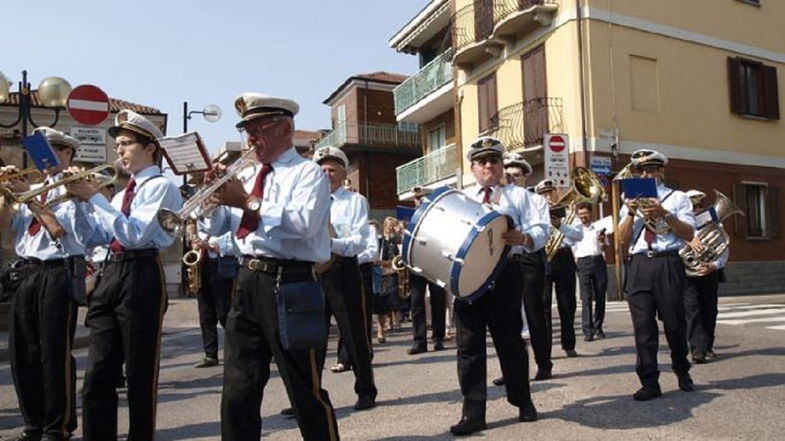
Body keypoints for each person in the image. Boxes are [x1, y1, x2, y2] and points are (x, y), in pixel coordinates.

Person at [200, 92, 339, 441]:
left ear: (286, 127)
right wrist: (212, 200)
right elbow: (217, 229)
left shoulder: (308, 174)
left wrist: (245, 201)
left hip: (289, 283)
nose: (251, 138)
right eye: (247, 130)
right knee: (237, 389)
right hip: (246, 279)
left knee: (303, 388)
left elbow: (303, 224)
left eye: (258, 128)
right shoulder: (247, 175)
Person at [67, 110, 183, 440]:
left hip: (141, 272)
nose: (119, 151)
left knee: (139, 373)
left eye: (125, 144)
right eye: (117, 145)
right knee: (97, 375)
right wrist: (80, 203)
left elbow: (134, 235)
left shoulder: (160, 187)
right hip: (112, 273)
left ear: (150, 147)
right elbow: (94, 239)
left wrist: (94, 198)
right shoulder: (119, 194)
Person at [0, 127, 94, 441]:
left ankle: (59, 426)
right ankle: (33, 422)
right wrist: (5, 193)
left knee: (53, 352)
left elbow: (61, 233)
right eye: (41, 150)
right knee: (23, 353)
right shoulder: (35, 189)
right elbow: (5, 226)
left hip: (58, 272)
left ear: (67, 154)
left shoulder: (74, 192)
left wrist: (29, 199)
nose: (44, 158)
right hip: (28, 273)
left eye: (52, 150)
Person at [449, 136, 546, 436]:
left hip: (506, 274)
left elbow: (541, 227)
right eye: (481, 162)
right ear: (473, 168)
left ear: (502, 165)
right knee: (468, 347)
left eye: (493, 160)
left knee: (511, 343)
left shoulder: (518, 196)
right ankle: (473, 413)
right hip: (467, 280)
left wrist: (526, 238)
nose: (488, 165)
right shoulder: (461, 198)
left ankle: (523, 401)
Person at [617, 148, 696, 401]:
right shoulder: (629, 199)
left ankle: (681, 369)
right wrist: (630, 213)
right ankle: (649, 381)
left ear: (661, 171)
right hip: (640, 263)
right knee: (643, 328)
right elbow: (620, 240)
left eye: (650, 169)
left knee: (674, 323)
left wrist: (664, 214)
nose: (645, 174)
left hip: (668, 262)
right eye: (640, 170)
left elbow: (689, 234)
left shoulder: (678, 197)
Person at [313, 145, 378, 411]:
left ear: (342, 173)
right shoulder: (308, 200)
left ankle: (366, 390)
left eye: (332, 170)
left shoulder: (355, 201)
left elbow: (359, 241)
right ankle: (309, 396)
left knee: (354, 333)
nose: (327, 174)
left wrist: (331, 243)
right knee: (310, 338)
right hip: (312, 273)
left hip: (343, 270)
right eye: (322, 169)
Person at [496, 152, 552, 384]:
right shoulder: (500, 198)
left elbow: (541, 231)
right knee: (507, 317)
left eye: (516, 175)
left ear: (525, 177)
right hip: (503, 261)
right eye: (508, 175)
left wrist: (525, 238)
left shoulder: (536, 200)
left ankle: (543, 363)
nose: (512, 179)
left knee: (533, 313)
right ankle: (512, 369)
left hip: (528, 258)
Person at [536, 179, 582, 358]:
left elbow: (578, 235)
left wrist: (560, 225)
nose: (548, 197)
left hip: (564, 257)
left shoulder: (569, 213)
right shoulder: (536, 214)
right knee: (544, 305)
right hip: (544, 257)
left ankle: (568, 344)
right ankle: (545, 348)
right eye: (544, 194)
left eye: (550, 193)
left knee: (567, 303)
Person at [682, 189, 728, 364]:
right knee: (692, 309)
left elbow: (724, 248)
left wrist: (714, 265)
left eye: (700, 205)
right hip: (687, 273)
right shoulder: (680, 225)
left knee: (710, 310)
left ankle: (707, 346)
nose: (697, 209)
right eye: (693, 206)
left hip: (709, 272)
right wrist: (688, 240)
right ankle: (697, 349)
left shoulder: (716, 225)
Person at [333, 218, 379, 372]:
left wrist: (351, 257)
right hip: (339, 270)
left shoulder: (370, 229)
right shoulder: (340, 227)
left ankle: (364, 355)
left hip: (360, 270)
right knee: (343, 314)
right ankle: (344, 359)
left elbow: (372, 252)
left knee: (362, 316)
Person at [407, 187, 447, 355]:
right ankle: (419, 340)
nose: (419, 202)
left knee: (438, 301)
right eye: (417, 199)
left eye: (422, 198)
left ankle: (438, 338)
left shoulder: (439, 218)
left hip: (435, 262)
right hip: (416, 264)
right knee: (416, 303)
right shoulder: (411, 219)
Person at [192, 230, 237, 368]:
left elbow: (233, 248)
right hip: (202, 267)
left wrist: (209, 246)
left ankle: (237, 350)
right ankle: (210, 355)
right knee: (205, 314)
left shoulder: (225, 223)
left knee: (223, 312)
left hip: (219, 268)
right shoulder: (199, 223)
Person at [572, 202, 609, 341]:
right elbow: (571, 247)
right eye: (580, 214)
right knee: (586, 297)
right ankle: (588, 330)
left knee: (600, 295)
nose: (583, 216)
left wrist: (602, 240)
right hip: (582, 262)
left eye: (585, 213)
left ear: (591, 213)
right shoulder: (575, 230)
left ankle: (598, 327)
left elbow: (605, 246)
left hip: (598, 260)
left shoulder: (599, 227)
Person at [374, 217, 400, 344]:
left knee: (392, 300)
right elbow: (376, 258)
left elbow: (397, 257)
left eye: (393, 226)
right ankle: (380, 329)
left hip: (392, 273)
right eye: (390, 226)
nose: (392, 228)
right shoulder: (380, 240)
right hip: (381, 274)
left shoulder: (394, 241)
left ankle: (390, 323)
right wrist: (385, 263)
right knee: (381, 304)